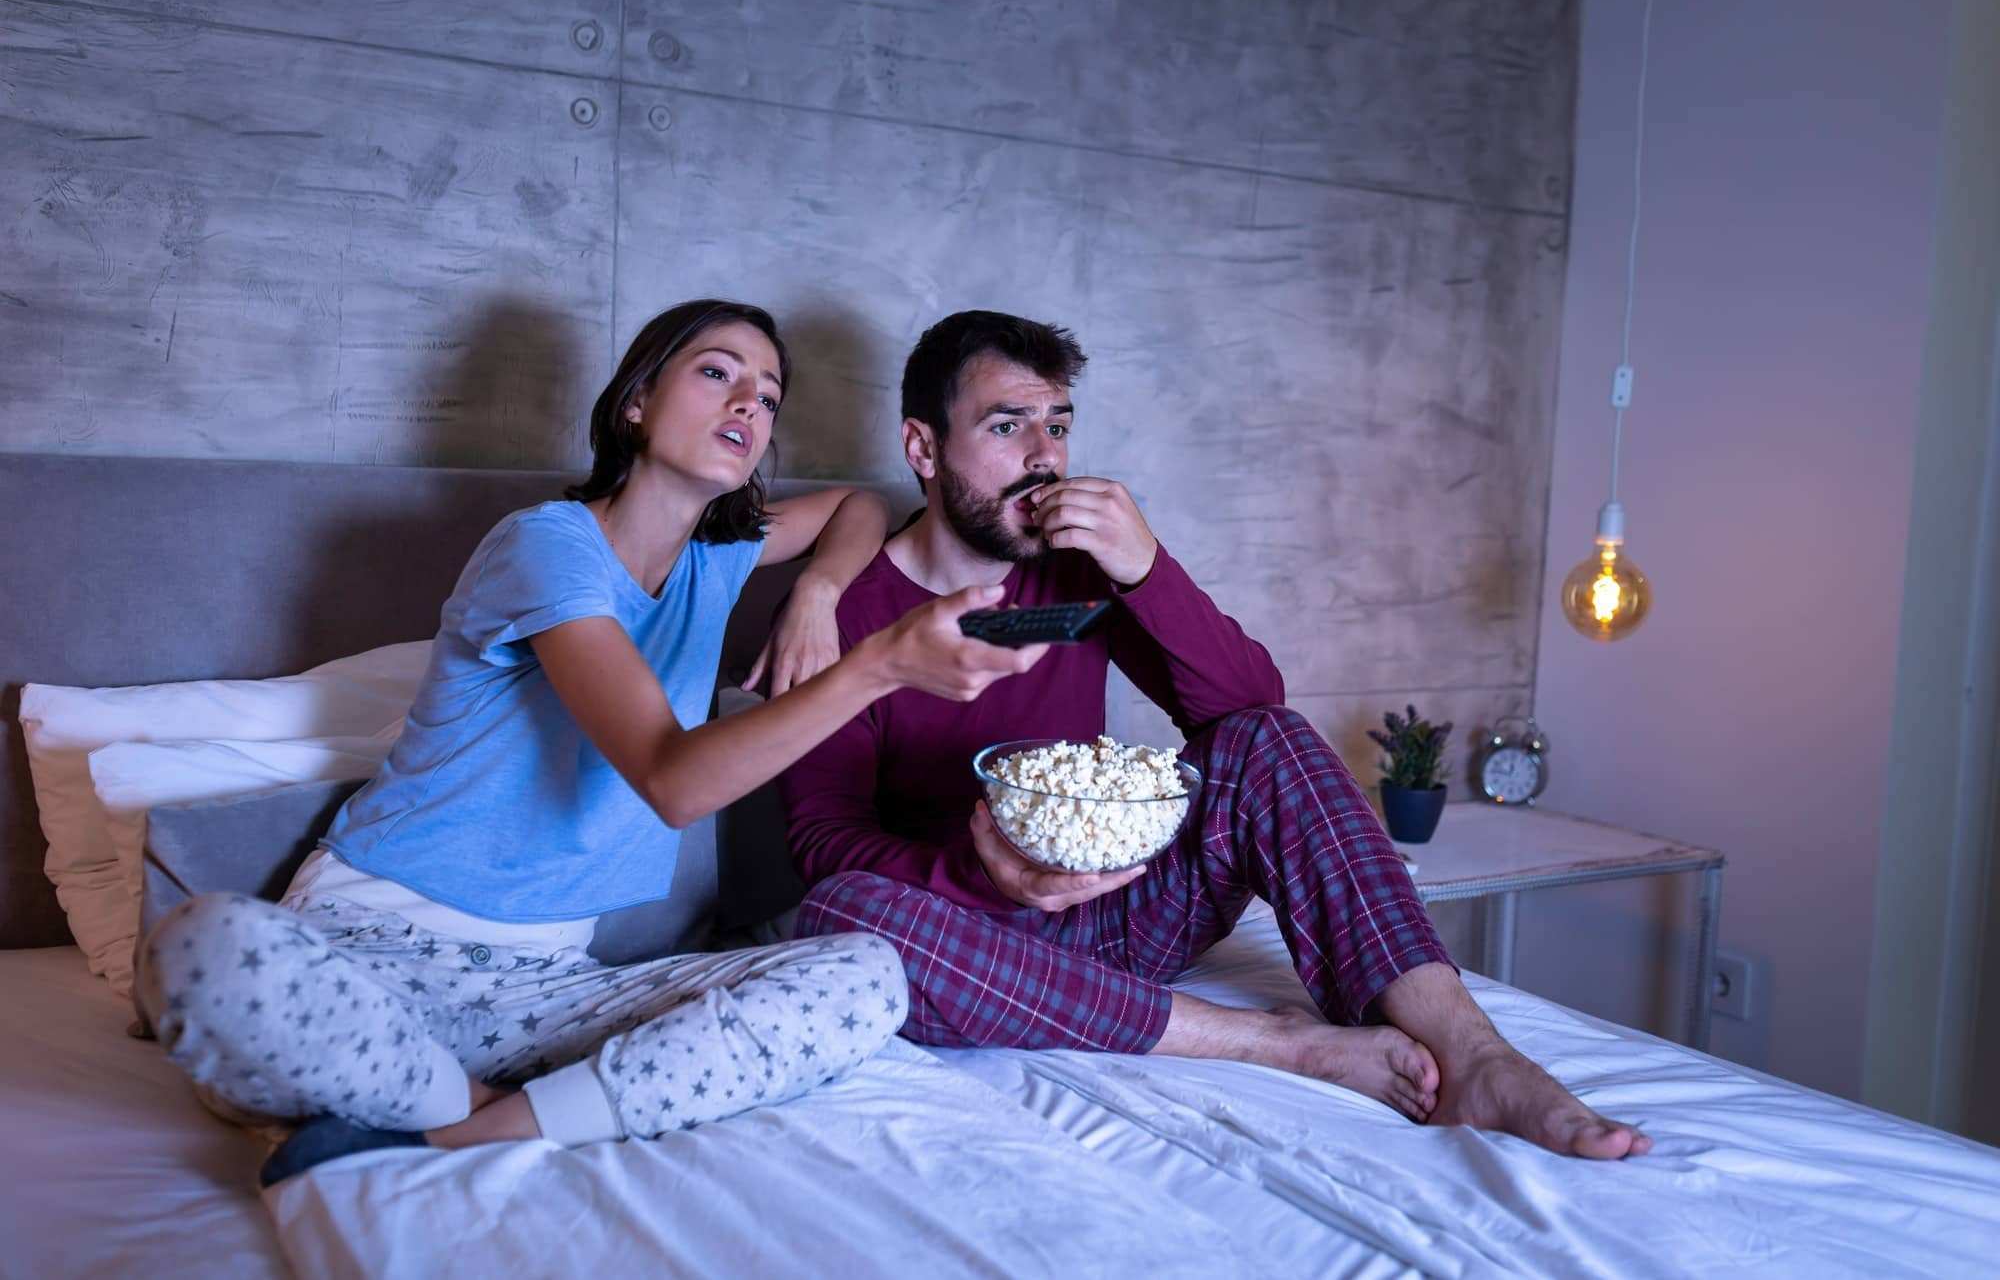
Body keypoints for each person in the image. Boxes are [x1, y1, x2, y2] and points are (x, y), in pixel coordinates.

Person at [135, 299, 1049, 1185]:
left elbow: (857, 506)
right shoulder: (546, 546)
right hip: (368, 947)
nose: (749, 404)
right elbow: (671, 780)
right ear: (637, 402)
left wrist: (816, 593)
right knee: (201, 948)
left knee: (867, 975)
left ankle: (471, 1122)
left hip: (545, 989)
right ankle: (469, 1102)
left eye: (769, 396)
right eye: (718, 373)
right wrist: (879, 664)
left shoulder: (715, 559)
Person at [778, 309, 1652, 1159]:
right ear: (923, 448)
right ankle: (1279, 1042)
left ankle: (1481, 1058)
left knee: (1268, 738)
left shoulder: (1081, 569)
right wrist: (979, 871)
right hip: (974, 940)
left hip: (1116, 912)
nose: (1044, 455)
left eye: (1058, 424)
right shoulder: (847, 613)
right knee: (840, 916)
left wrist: (1146, 567)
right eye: (1007, 426)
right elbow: (822, 842)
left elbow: (1247, 709)